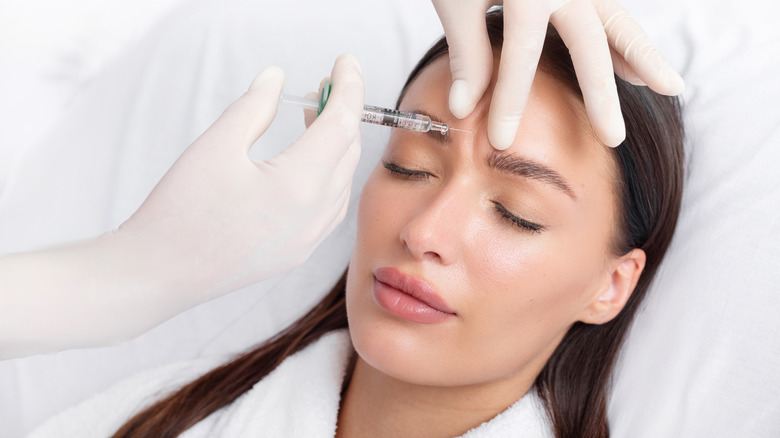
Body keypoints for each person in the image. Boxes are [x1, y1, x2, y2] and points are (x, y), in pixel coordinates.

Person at [29, 9, 684, 438]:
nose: (424, 232)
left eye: (517, 213)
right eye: (408, 167)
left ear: (612, 285)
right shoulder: (150, 420)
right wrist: (126, 277)